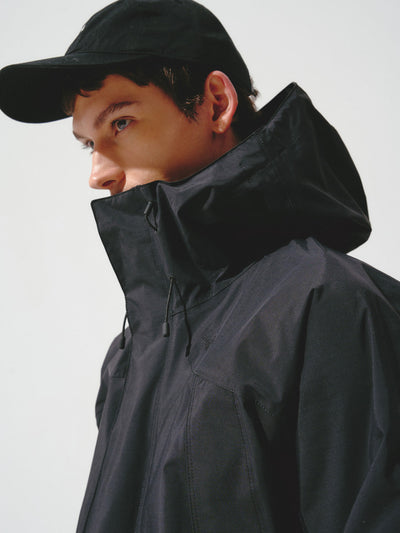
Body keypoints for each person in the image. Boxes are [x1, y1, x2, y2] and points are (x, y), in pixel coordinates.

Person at [1, 0, 399, 532]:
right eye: (89, 143)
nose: (97, 172)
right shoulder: (130, 354)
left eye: (121, 122)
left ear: (216, 103)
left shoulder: (331, 305)